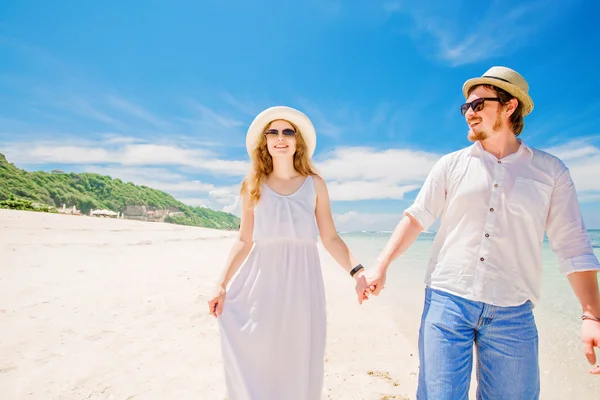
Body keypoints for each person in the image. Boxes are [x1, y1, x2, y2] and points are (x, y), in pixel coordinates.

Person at [364, 66, 600, 399]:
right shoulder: (451, 164)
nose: (469, 114)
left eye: (478, 105)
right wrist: (382, 264)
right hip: (447, 300)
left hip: (513, 312)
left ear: (510, 106)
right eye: (466, 108)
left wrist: (592, 315)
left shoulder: (551, 172)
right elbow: (418, 217)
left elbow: (572, 242)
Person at [207, 106, 368, 400]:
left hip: (304, 286)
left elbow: (330, 237)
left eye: (288, 132)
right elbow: (244, 240)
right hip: (261, 283)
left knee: (299, 359)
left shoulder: (315, 184)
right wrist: (221, 283)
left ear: (297, 141)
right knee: (261, 355)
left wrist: (357, 272)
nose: (281, 138)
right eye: (273, 132)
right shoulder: (252, 186)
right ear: (265, 142)